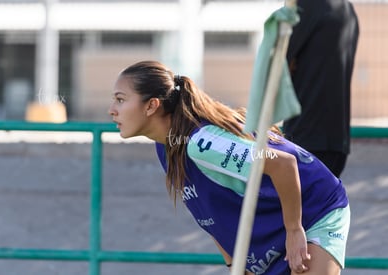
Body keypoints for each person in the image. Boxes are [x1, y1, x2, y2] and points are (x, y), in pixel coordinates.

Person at [108, 60, 350, 275]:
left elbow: (283, 164)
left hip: (316, 209)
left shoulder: (202, 144)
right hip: (275, 225)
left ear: (151, 106)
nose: (112, 110)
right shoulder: (166, 148)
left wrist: (294, 230)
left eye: (120, 99)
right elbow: (210, 214)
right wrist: (235, 266)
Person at [283, 0, 359, 177]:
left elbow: (276, 65)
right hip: (338, 141)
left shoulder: (306, 7)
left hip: (304, 139)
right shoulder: (348, 10)